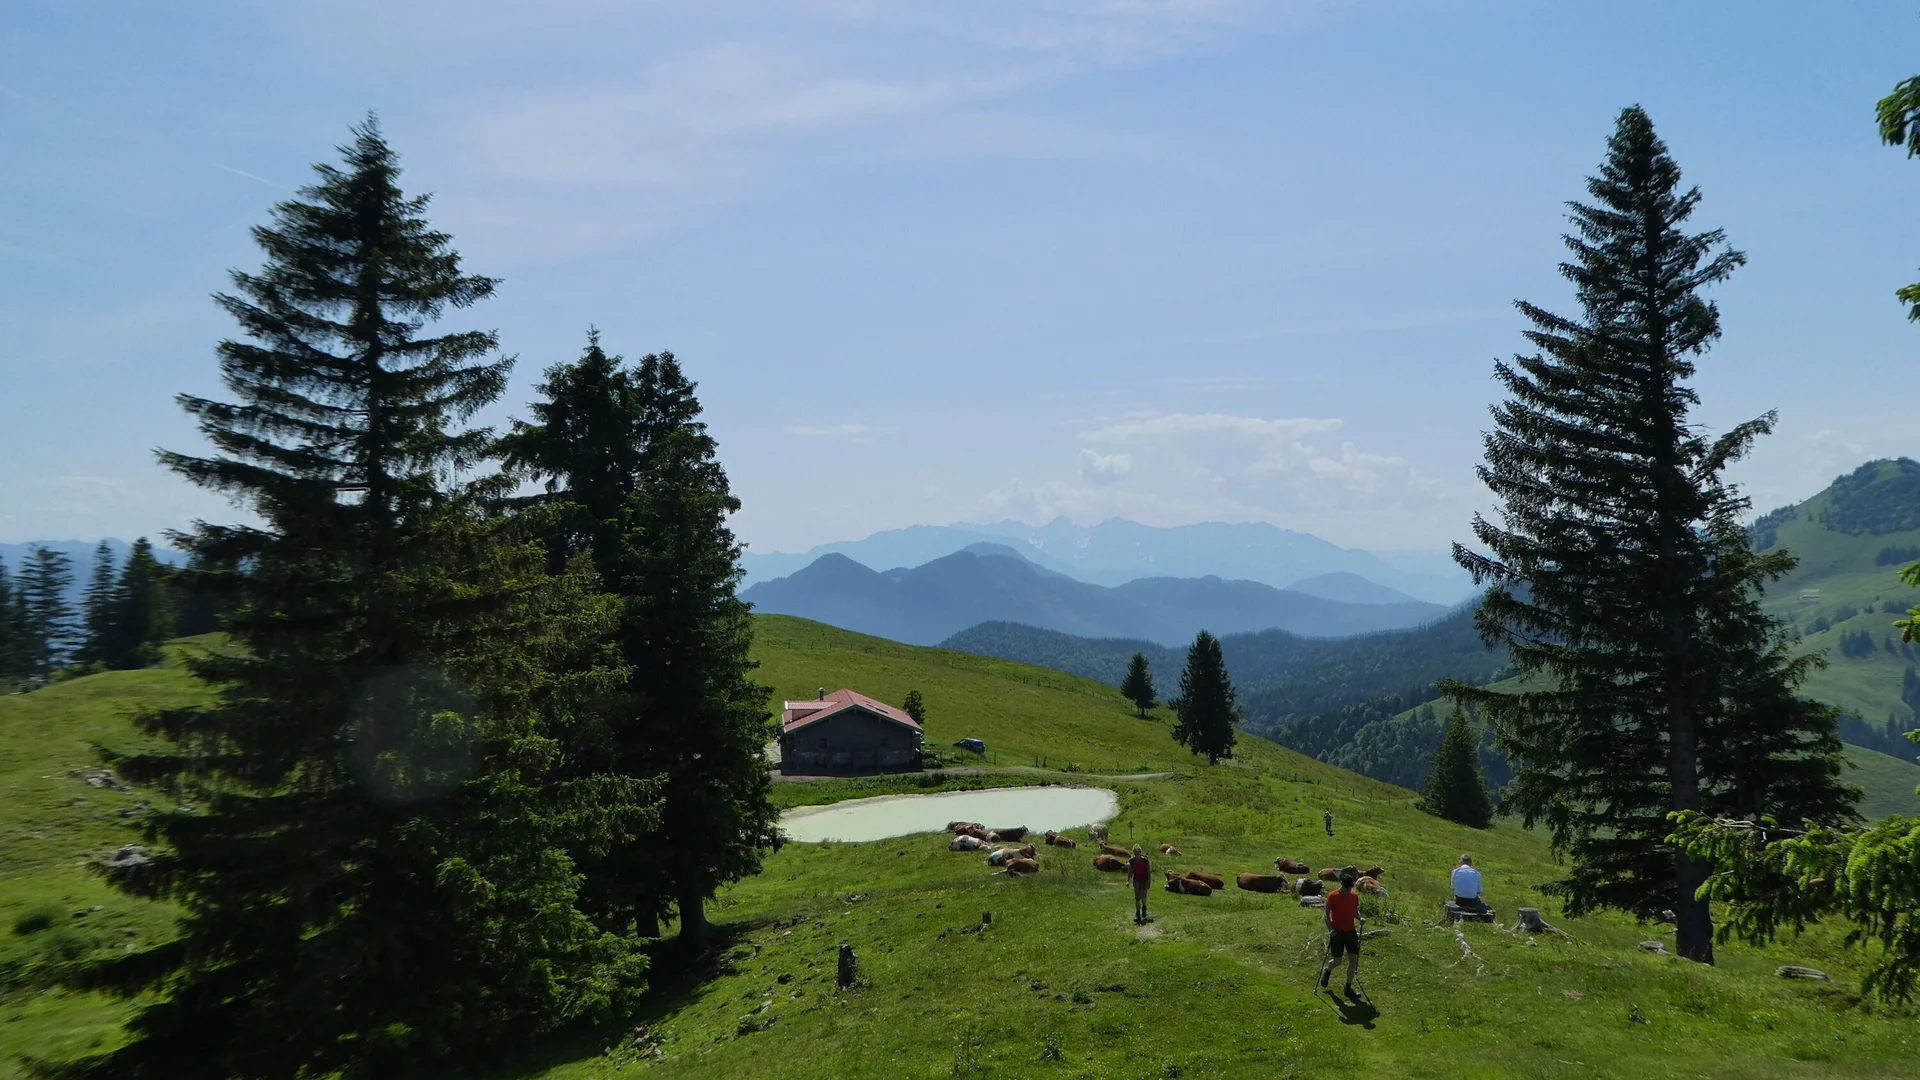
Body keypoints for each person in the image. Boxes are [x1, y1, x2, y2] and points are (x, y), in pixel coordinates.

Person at [1319, 867, 1362, 996]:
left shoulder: (1354, 896)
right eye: (1347, 888)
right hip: (1337, 932)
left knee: (1353, 960)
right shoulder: (1333, 896)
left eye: (1351, 888)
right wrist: (1331, 930)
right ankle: (1328, 970)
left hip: (1351, 932)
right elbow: (1326, 915)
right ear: (1342, 884)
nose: (1349, 890)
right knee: (1337, 960)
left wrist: (1360, 918)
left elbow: (1354, 910)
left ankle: (1348, 988)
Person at [1128, 843, 1152, 924]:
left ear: (1140, 851)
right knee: (1137, 898)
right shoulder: (1132, 861)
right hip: (1137, 880)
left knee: (1143, 896)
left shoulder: (1145, 860)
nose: (1136, 853)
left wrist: (1149, 881)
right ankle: (1138, 914)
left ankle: (1144, 910)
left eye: (1137, 851)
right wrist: (1128, 880)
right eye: (1134, 851)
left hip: (1144, 880)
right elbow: (1130, 871)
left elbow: (1148, 872)